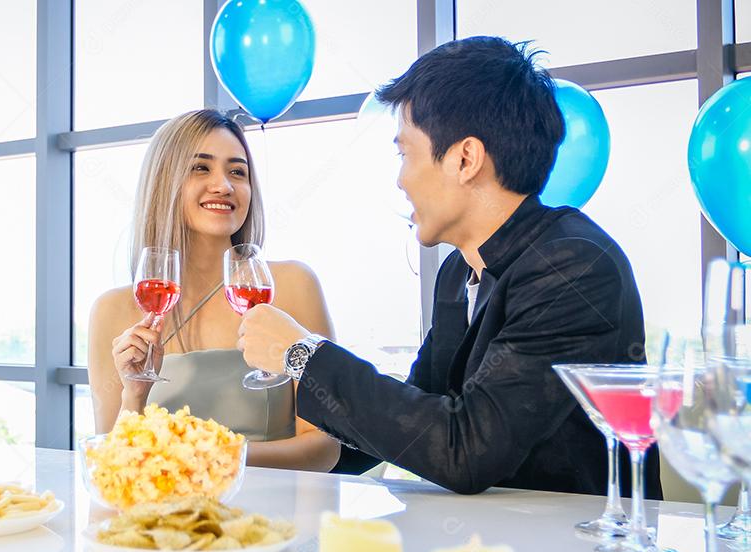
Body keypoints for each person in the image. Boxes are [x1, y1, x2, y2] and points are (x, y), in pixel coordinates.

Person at [235, 36, 662, 496]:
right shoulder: (459, 271)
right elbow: (417, 419)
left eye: (405, 153)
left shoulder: (573, 266)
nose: (400, 180)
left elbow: (466, 451)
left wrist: (302, 354)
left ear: (465, 159)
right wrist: (232, 453)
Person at [87, 109, 341, 472]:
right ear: (164, 183)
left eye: (238, 171)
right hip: (160, 522)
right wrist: (134, 394)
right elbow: (113, 466)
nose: (224, 185)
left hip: (270, 522)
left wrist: (211, 455)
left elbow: (324, 448)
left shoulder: (293, 286)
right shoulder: (112, 310)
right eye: (200, 168)